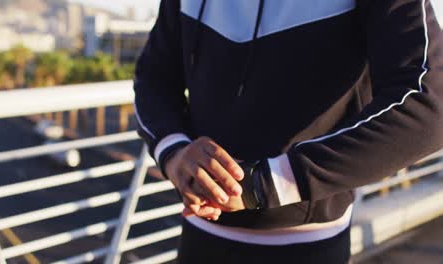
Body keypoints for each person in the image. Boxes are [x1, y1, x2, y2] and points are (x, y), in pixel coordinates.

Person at [133, 0, 443, 263]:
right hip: (198, 238)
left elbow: (428, 106)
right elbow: (153, 77)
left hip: (310, 246)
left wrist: (263, 183)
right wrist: (174, 152)